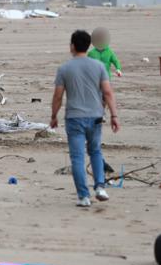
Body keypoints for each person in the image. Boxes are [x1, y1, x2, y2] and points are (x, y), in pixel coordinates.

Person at [50, 30, 120, 208]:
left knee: (77, 158)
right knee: (96, 152)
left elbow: (58, 96)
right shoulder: (99, 66)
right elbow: (108, 92)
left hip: (74, 118)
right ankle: (100, 187)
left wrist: (54, 116)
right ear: (89, 45)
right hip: (95, 116)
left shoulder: (64, 68)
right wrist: (113, 115)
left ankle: (83, 196)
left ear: (72, 46)